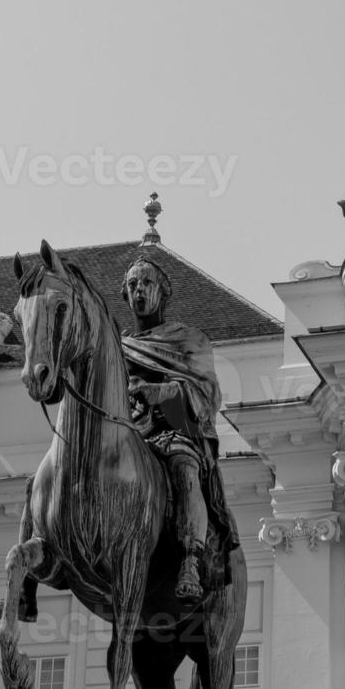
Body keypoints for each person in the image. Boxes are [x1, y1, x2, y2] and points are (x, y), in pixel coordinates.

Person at [120, 256, 238, 603]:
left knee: (184, 467)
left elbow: (208, 394)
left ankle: (190, 558)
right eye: (132, 285)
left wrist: (162, 391)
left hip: (170, 432)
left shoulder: (188, 340)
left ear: (163, 294)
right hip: (127, 433)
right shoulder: (118, 345)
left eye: (146, 284)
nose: (139, 290)